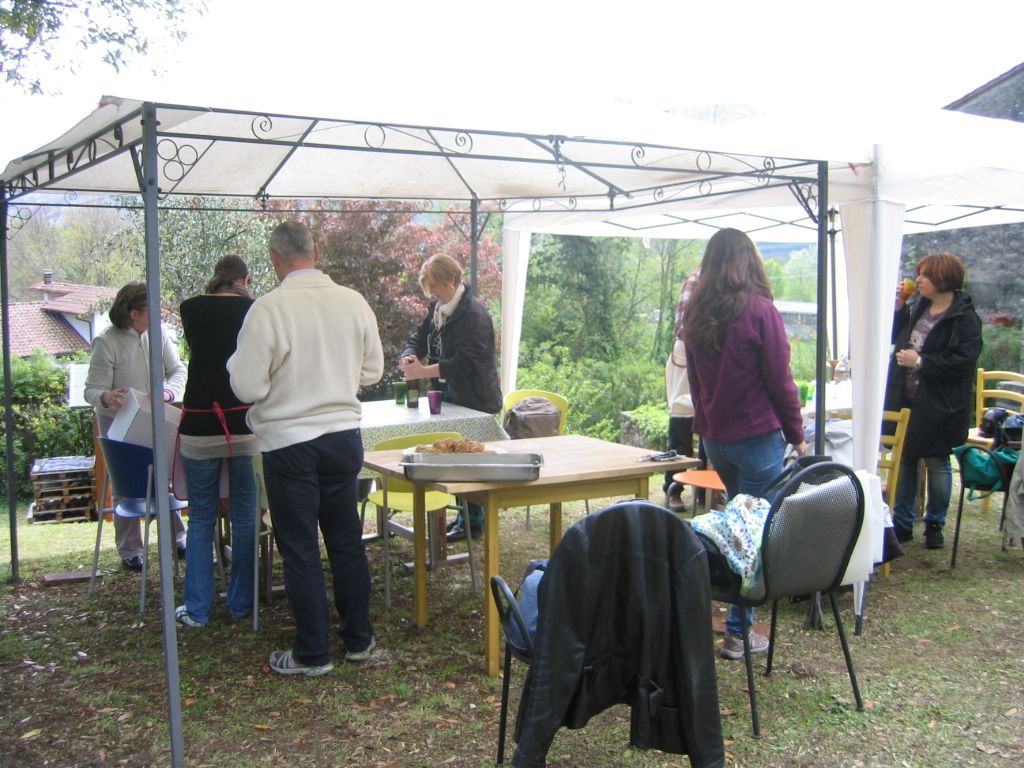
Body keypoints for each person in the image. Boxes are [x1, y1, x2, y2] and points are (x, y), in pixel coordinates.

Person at [228, 221, 384, 677]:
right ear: (315, 251)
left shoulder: (268, 309)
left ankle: (313, 652)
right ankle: (359, 640)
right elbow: (372, 371)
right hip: (341, 435)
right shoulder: (353, 301)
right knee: (346, 541)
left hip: (290, 440)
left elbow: (247, 385)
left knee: (299, 547)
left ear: (275, 259)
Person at [683, 228, 807, 660]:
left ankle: (730, 623)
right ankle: (738, 632)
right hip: (756, 438)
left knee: (736, 528)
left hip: (718, 440)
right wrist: (797, 434)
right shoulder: (760, 311)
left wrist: (706, 429)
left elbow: (696, 386)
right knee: (753, 537)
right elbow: (781, 382)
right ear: (748, 261)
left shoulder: (697, 315)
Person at [174, 256, 258, 628]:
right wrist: (250, 298)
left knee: (202, 518)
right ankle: (241, 605)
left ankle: (197, 609)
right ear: (245, 278)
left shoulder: (190, 308)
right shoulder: (255, 309)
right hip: (246, 422)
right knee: (244, 518)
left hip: (199, 422)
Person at [84, 281, 188, 572]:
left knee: (164, 478)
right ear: (133, 313)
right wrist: (106, 396)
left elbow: (178, 369)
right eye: (151, 310)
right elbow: (92, 390)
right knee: (126, 484)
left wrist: (168, 392)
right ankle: (130, 550)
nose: (157, 315)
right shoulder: (107, 342)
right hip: (117, 422)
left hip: (154, 417)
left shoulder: (158, 334)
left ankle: (178, 539)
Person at [399, 253, 502, 541]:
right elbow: (418, 338)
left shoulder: (475, 315)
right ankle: (462, 519)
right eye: (429, 287)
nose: (432, 293)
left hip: (476, 398)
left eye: (436, 286)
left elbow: (464, 362)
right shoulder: (438, 307)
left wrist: (423, 371)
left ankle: (473, 521)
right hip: (449, 395)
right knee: (451, 457)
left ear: (453, 281)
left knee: (471, 462)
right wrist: (409, 356)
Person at [885, 253, 981, 549]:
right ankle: (902, 523)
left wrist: (921, 362)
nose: (919, 279)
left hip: (941, 404)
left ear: (942, 279)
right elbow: (894, 337)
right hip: (908, 398)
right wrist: (899, 307)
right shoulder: (920, 308)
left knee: (938, 462)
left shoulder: (964, 318)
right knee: (906, 460)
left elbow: (964, 361)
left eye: (925, 275)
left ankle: (934, 524)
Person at [664, 268, 700, 512]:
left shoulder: (732, 281)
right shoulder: (697, 279)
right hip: (689, 351)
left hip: (713, 356)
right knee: (682, 421)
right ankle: (673, 488)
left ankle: (708, 490)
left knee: (712, 425)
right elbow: (682, 325)